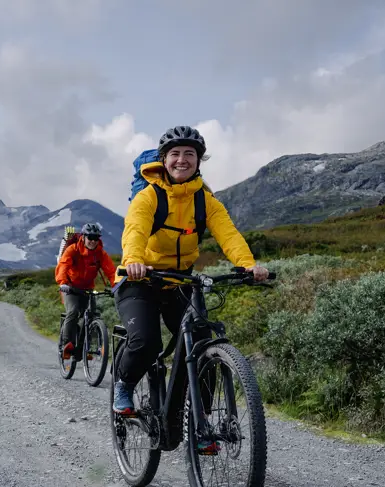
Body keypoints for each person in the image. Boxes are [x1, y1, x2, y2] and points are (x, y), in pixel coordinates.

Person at [112, 125, 269, 454]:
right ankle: (124, 385)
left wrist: (247, 264)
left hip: (179, 281)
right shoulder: (149, 196)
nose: (181, 160)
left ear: (199, 161)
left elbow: (228, 233)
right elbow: (135, 229)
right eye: (175, 154)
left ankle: (199, 425)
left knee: (202, 348)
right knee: (146, 342)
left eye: (189, 154)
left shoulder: (205, 200)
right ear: (164, 160)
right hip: (140, 280)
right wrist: (134, 260)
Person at [55, 222, 117, 361]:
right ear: (83, 237)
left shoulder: (100, 253)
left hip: (87, 288)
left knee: (91, 316)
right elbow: (63, 265)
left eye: (96, 238)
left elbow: (111, 272)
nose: (93, 241)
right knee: (73, 311)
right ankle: (66, 345)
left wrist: (117, 287)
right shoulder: (72, 250)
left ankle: (84, 348)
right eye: (90, 237)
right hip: (70, 287)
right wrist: (63, 283)